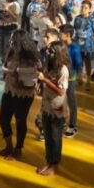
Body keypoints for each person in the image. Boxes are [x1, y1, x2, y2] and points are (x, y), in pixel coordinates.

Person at [0, 30, 39, 162]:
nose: (10, 42)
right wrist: (7, 72)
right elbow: (6, 65)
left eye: (14, 40)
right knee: (3, 118)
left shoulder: (31, 57)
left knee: (20, 120)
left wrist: (21, 74)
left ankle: (18, 148)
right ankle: (8, 145)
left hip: (24, 93)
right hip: (10, 89)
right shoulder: (11, 52)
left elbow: (38, 71)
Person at [37, 40, 70, 176]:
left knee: (56, 137)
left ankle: (54, 164)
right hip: (47, 106)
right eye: (48, 50)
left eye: (51, 51)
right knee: (48, 136)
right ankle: (48, 161)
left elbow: (61, 91)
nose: (48, 53)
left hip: (57, 108)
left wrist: (45, 80)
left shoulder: (63, 70)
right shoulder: (49, 66)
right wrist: (40, 83)